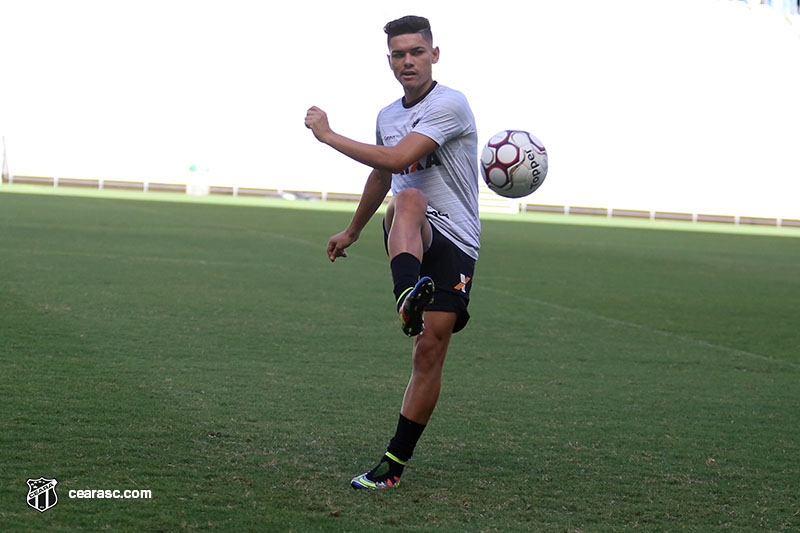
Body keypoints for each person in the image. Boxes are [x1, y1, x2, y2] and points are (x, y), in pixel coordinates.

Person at [304, 15, 481, 490]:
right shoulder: (388, 115)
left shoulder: (451, 104)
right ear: (390, 61)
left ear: (434, 55)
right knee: (407, 197)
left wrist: (329, 136)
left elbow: (400, 159)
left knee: (430, 350)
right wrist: (352, 230)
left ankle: (392, 467)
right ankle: (407, 294)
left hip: (458, 239)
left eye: (416, 52)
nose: (408, 61)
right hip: (411, 228)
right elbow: (385, 177)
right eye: (399, 54)